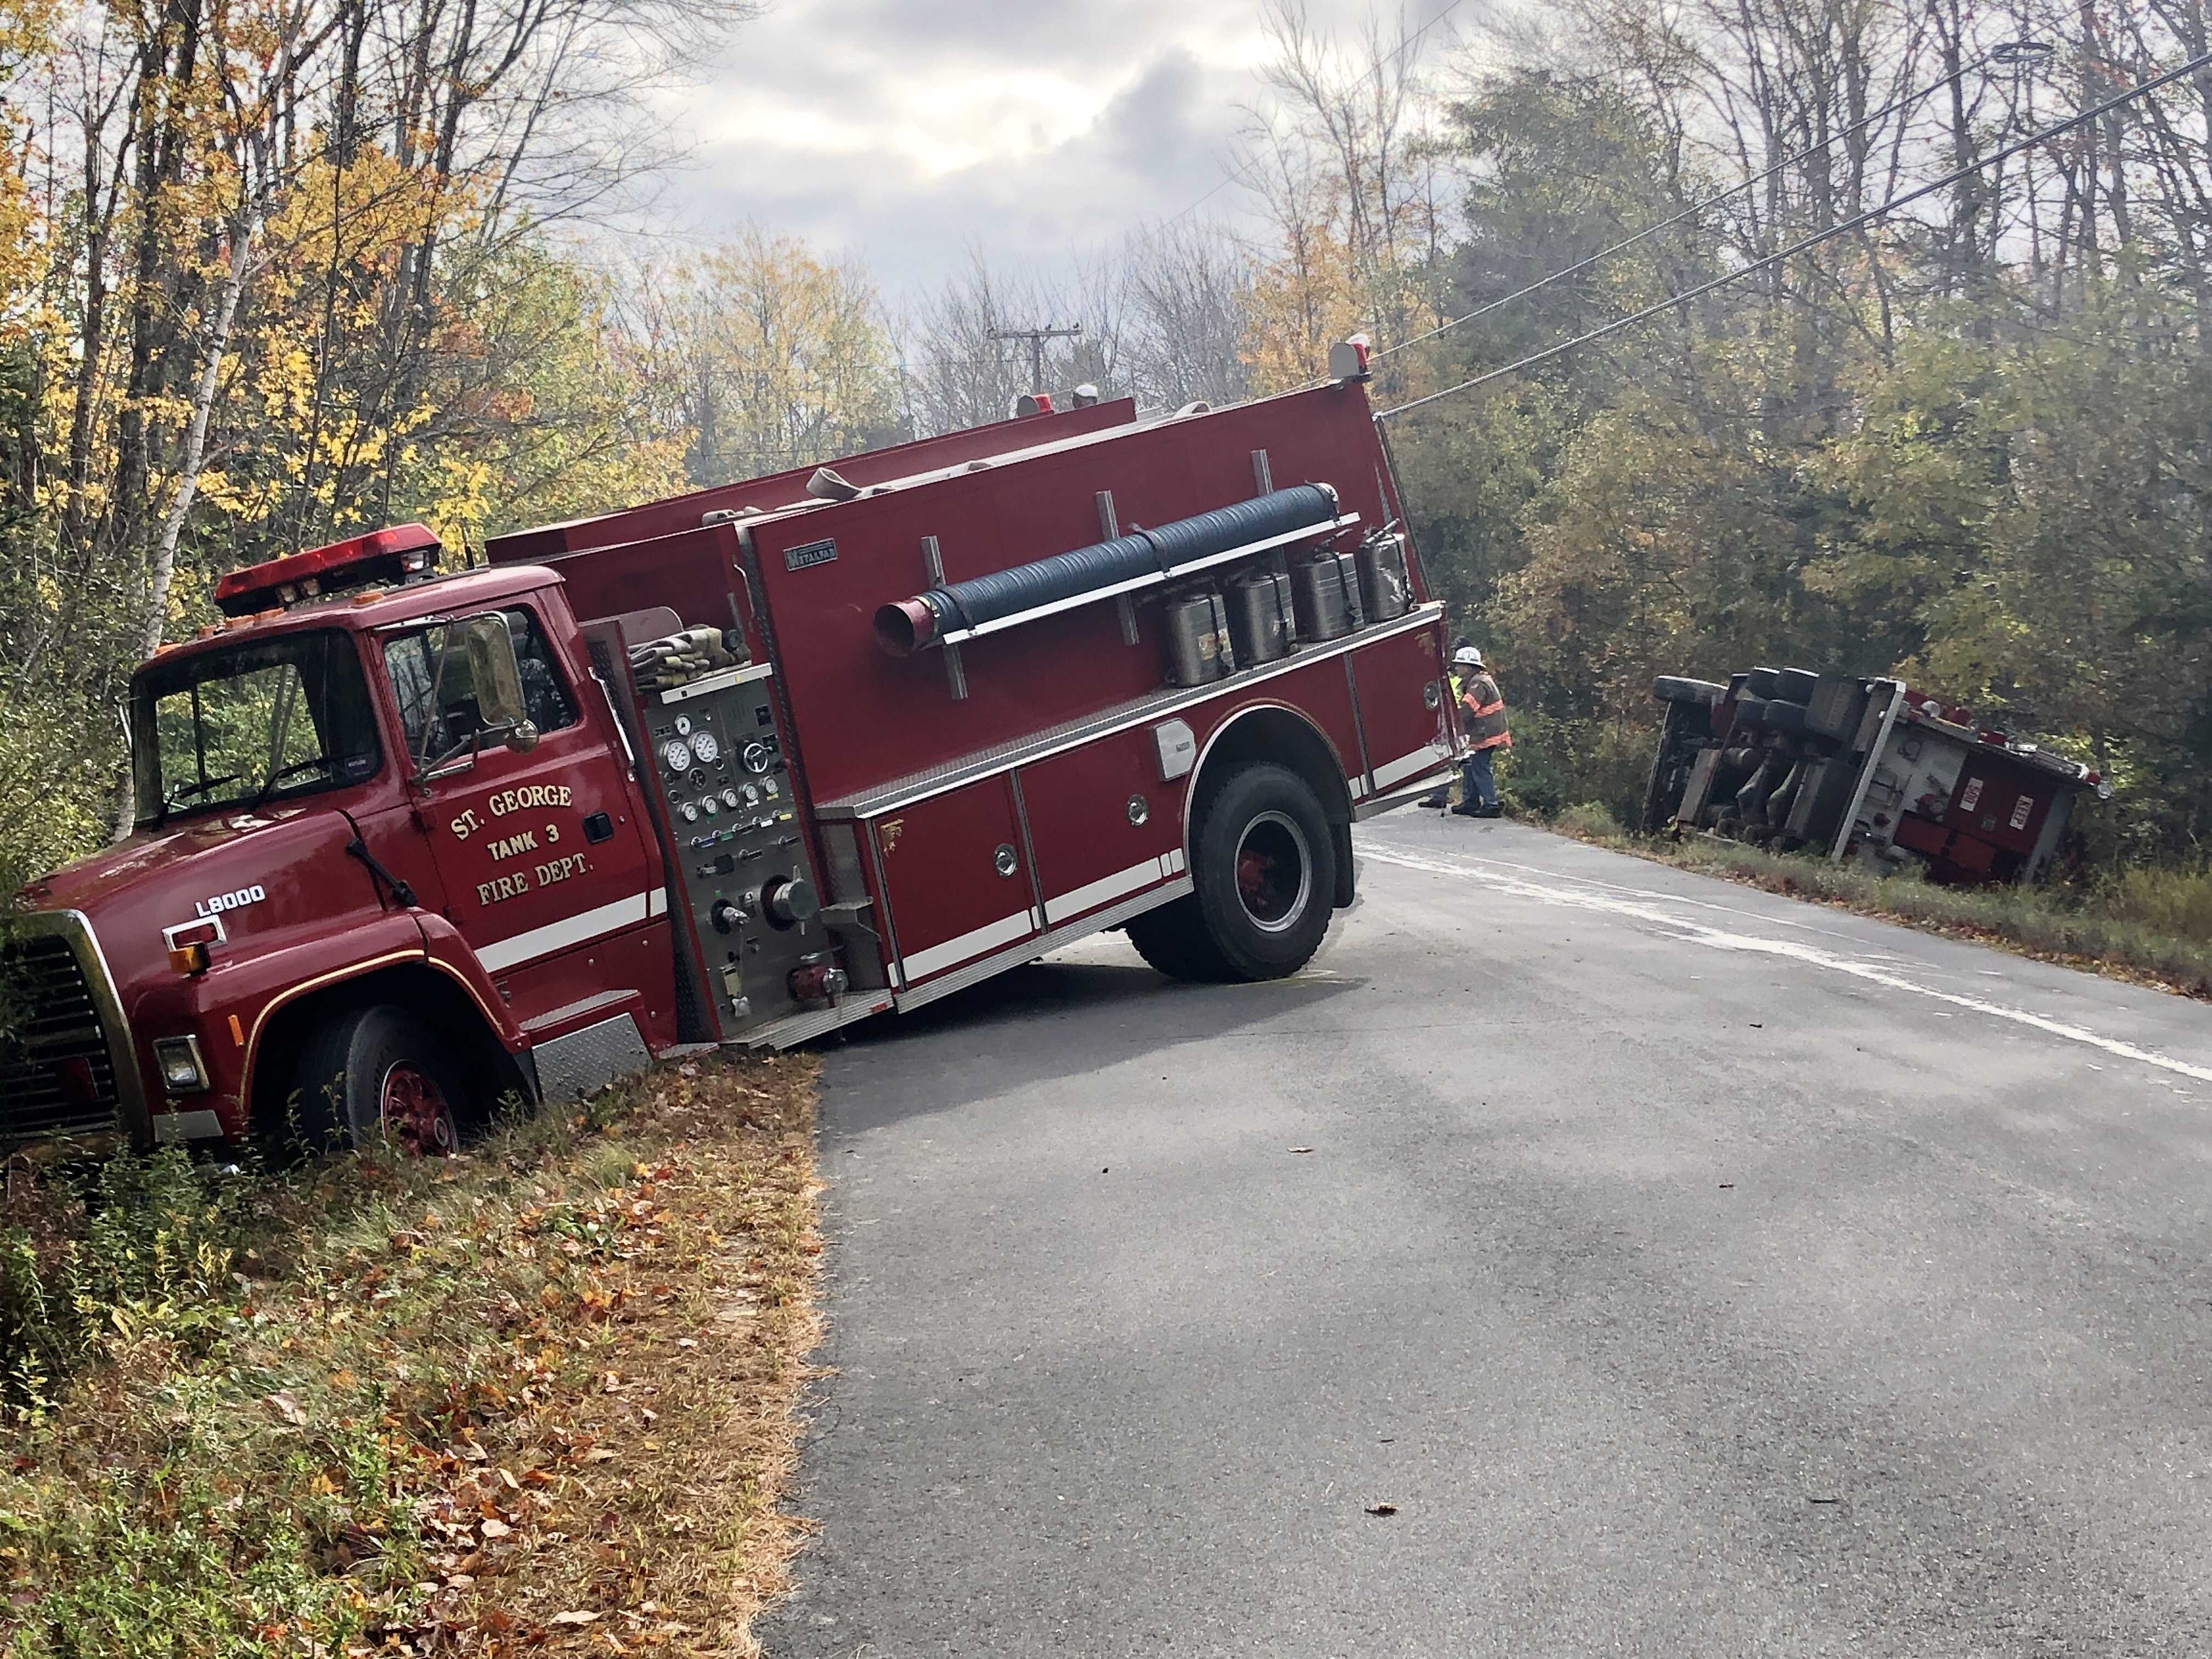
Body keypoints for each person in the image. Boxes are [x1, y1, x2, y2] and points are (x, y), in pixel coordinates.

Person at [1421, 644, 1509, 817]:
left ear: (1469, 667)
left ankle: (1491, 805)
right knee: (1470, 765)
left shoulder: (1478, 684)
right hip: (1482, 732)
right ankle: (1471, 802)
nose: (1457, 668)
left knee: (1479, 767)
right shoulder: (1476, 681)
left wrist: (1451, 723)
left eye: (1460, 665)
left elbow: (1468, 709)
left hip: (1486, 734)